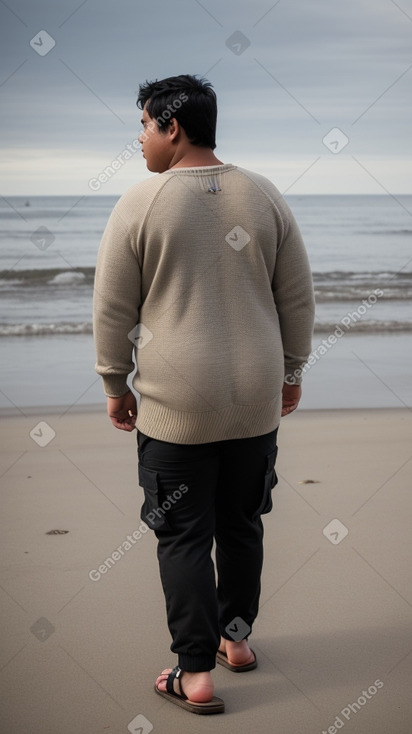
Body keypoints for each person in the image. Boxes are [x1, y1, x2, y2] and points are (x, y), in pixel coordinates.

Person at [93, 74, 315, 715]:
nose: (139, 140)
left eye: (142, 126)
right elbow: (295, 295)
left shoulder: (142, 201)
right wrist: (293, 371)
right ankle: (236, 642)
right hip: (252, 397)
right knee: (242, 524)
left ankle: (193, 675)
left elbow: (113, 304)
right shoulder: (265, 194)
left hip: (175, 401)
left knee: (182, 535)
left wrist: (115, 382)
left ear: (172, 127)